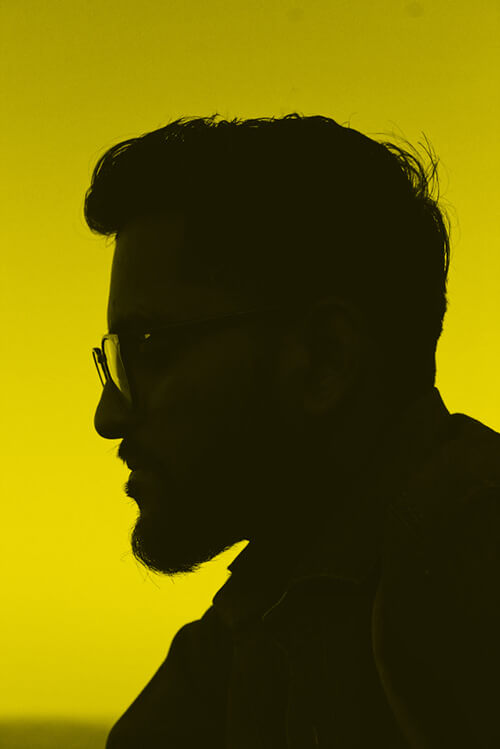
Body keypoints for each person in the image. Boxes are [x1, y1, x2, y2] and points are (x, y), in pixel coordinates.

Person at [88, 114, 500, 748]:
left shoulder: (467, 579)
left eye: (149, 347)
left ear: (324, 360)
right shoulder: (264, 615)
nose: (109, 417)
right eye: (117, 360)